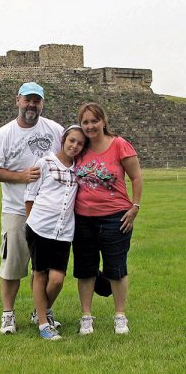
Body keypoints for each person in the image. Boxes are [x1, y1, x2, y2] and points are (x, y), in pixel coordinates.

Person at [0, 82, 63, 334]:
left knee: (46, 269)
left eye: (36, 101)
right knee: (12, 266)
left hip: (48, 212)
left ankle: (42, 312)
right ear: (17, 100)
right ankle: (8, 314)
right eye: (27, 100)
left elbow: (71, 156)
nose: (31, 105)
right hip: (16, 210)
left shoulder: (55, 130)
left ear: (42, 104)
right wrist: (21, 176)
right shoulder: (5, 134)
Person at [73, 102, 143, 335]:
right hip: (83, 219)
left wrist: (135, 207)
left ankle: (120, 316)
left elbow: (136, 177)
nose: (90, 126)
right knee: (85, 269)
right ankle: (86, 317)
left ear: (104, 121)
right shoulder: (80, 147)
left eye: (94, 121)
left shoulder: (119, 145)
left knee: (116, 268)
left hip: (116, 217)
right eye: (85, 122)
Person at [24, 125, 87, 340]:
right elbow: (30, 197)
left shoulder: (79, 169)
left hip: (64, 231)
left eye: (80, 143)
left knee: (58, 279)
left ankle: (39, 311)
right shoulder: (45, 163)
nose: (75, 146)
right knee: (40, 274)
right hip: (40, 228)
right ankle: (44, 324)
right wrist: (32, 225)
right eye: (72, 141)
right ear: (63, 139)